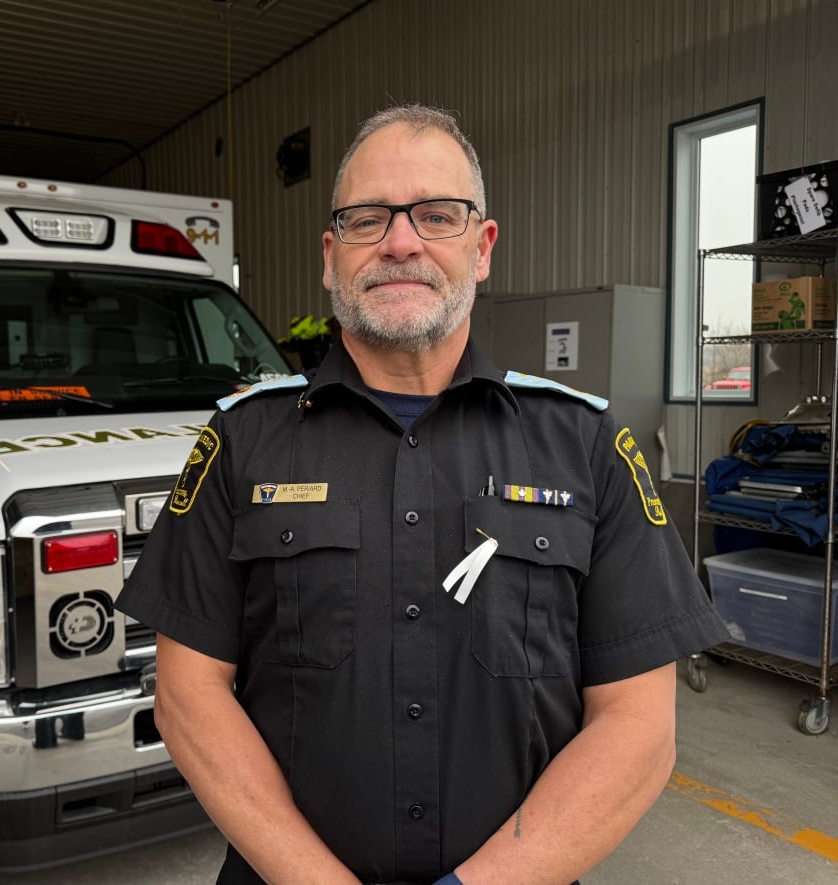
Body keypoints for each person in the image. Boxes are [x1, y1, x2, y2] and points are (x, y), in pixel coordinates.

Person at [116, 104, 729, 885]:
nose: (400, 241)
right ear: (331, 256)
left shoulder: (584, 443)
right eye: (368, 219)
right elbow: (187, 696)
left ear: (483, 247)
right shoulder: (243, 441)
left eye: (436, 215)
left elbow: (639, 726)